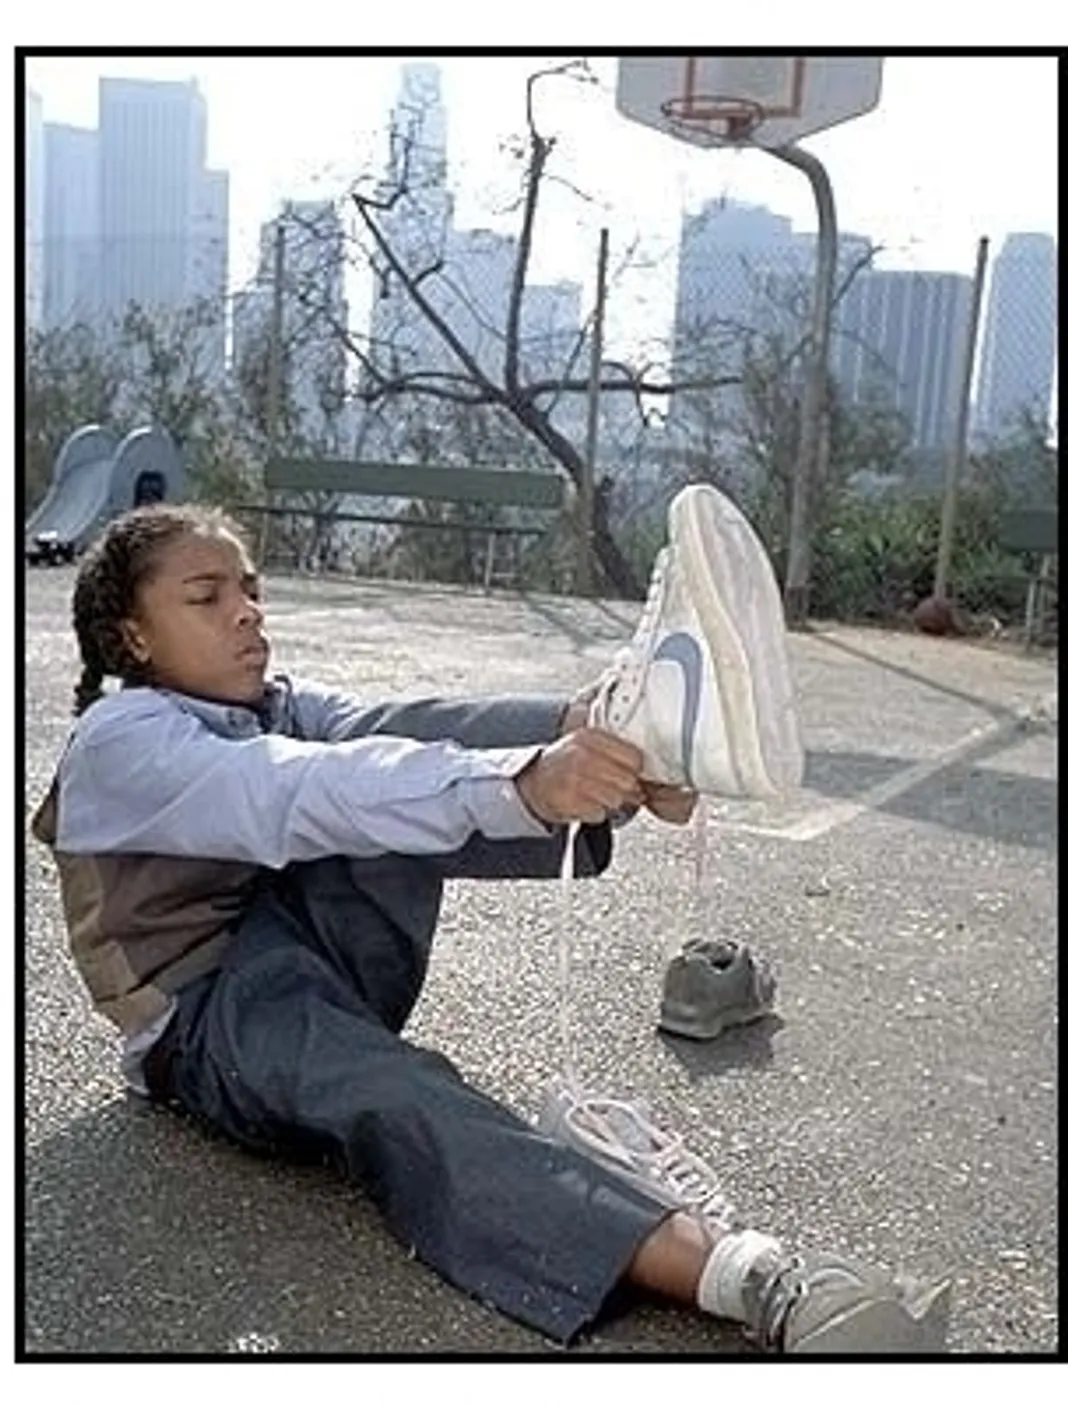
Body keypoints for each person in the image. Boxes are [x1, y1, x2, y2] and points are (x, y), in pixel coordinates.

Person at [31, 491, 951, 1354]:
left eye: (251, 589)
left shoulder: (274, 703)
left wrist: (603, 760)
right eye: (207, 597)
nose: (247, 613)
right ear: (133, 635)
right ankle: (756, 1280)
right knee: (403, 1084)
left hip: (303, 950)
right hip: (206, 1023)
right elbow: (296, 791)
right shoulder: (122, 741)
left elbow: (387, 729)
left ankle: (627, 719)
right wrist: (526, 784)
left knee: (394, 741)